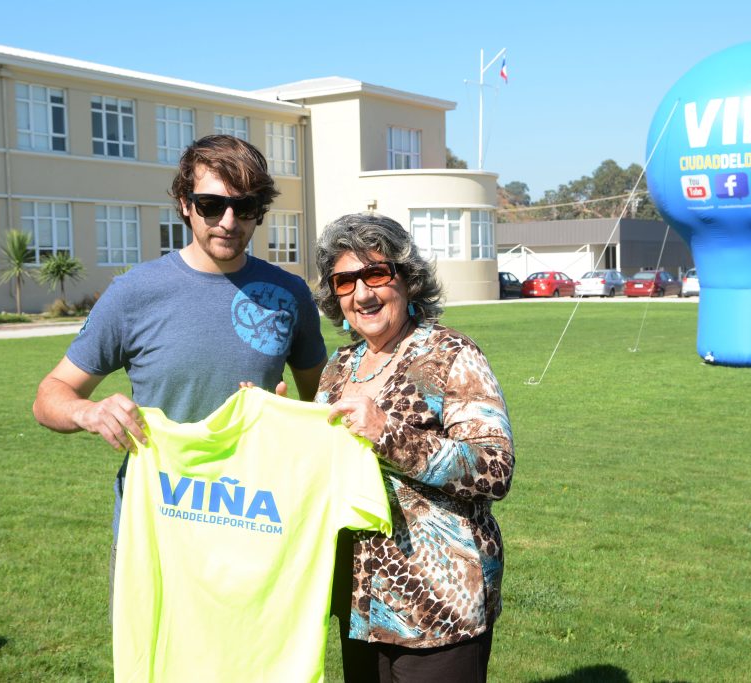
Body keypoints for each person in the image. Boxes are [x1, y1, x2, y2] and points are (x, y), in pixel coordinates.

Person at [32, 134, 327, 599]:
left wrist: (288, 418)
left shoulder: (289, 294)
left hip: (253, 527)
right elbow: (51, 394)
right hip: (154, 534)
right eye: (211, 205)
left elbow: (322, 404)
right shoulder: (134, 293)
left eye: (245, 207)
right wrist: (86, 413)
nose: (228, 221)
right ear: (184, 204)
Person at [314, 213, 515, 683]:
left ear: (407, 278)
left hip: (439, 605)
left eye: (376, 274)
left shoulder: (451, 354)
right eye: (345, 281)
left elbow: (494, 467)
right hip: (361, 601)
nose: (363, 294)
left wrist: (388, 433)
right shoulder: (339, 367)